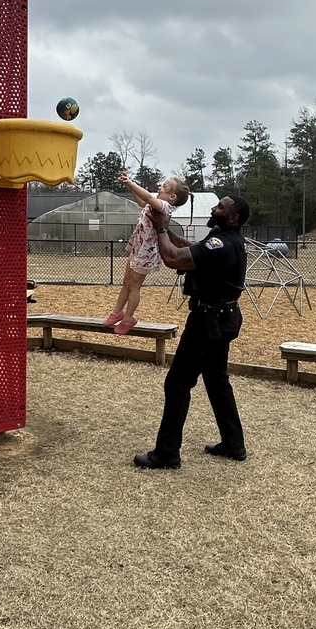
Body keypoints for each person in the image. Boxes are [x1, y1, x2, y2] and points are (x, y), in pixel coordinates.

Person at [133, 194, 250, 470]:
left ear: (233, 217)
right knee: (216, 379)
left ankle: (167, 453)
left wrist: (161, 229)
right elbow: (192, 248)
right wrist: (166, 227)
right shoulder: (226, 239)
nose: (214, 208)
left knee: (177, 383)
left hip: (206, 322)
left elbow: (174, 258)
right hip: (224, 319)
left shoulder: (221, 243)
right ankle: (234, 444)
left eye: (221, 207)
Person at [103, 171, 191, 335]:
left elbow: (149, 199)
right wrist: (131, 188)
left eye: (164, 186)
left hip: (146, 252)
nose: (160, 187)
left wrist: (130, 183)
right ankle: (117, 312)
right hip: (138, 245)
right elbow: (143, 202)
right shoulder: (155, 205)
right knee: (126, 283)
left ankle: (129, 319)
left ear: (172, 197)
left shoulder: (165, 207)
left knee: (134, 286)